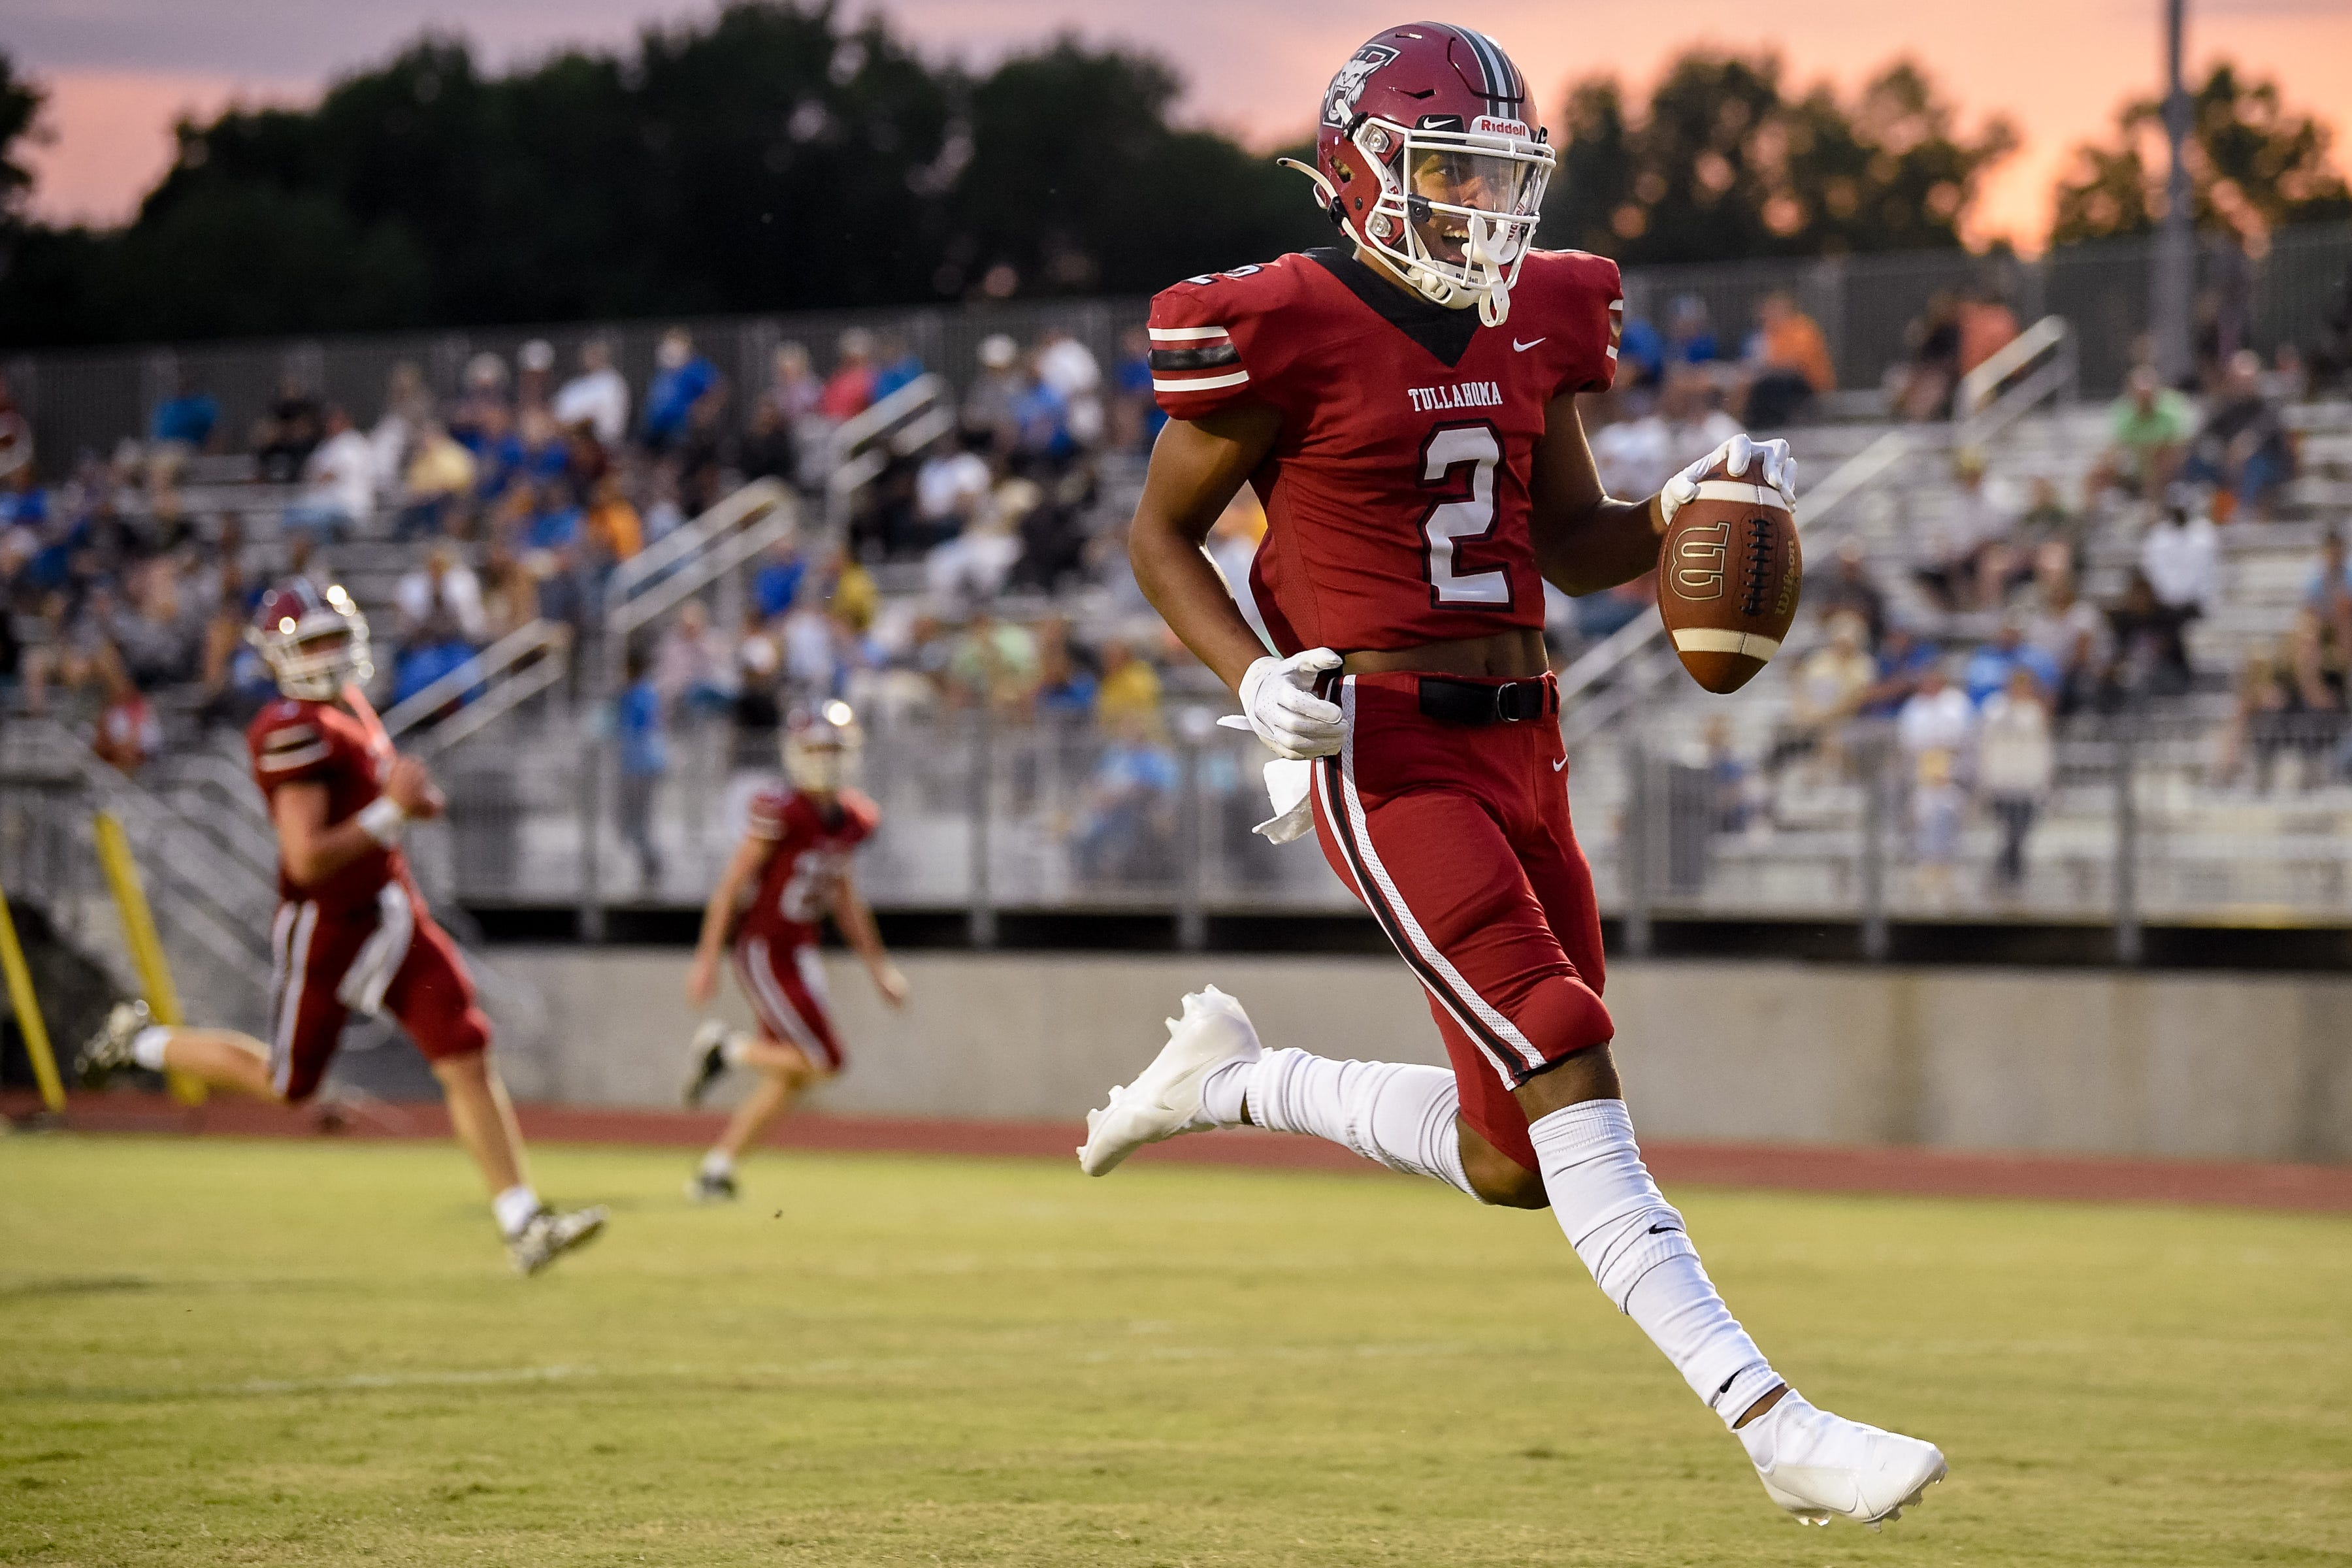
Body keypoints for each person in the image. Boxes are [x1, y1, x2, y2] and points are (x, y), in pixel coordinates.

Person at [1089, 22, 1942, 1533]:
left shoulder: (1541, 309)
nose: (1484, 197)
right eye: (1450, 165)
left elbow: (1571, 541)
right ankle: (1773, 1419)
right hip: (1376, 739)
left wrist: (1699, 495)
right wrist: (1249, 673)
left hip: (1525, 734)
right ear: (1360, 173)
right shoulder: (1277, 323)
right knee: (1561, 1034)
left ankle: (1232, 1076)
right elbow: (1160, 532)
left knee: (1512, 1153)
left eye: (1500, 167)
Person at [74, 580, 605, 1274]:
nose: (326, 653)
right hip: (327, 923)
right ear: (278, 655)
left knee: (466, 1051)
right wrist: (391, 813)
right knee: (291, 1083)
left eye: (332, 638)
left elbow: (383, 799)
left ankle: (522, 1221)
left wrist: (410, 806)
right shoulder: (291, 729)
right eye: (310, 642)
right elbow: (308, 857)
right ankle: (142, 1042)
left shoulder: (349, 704)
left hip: (391, 907)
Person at [679, 703, 907, 1200]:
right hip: (766, 949)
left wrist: (879, 967)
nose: (825, 759)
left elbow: (845, 898)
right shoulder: (782, 810)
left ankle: (717, 1170)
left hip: (800, 952)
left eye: (833, 748)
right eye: (816, 748)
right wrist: (706, 960)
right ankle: (727, 1049)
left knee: (792, 1075)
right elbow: (730, 886)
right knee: (824, 1060)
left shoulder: (851, 818)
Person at [2184, 350, 2295, 521]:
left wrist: (2242, 449)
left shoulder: (2269, 407)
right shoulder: (2225, 407)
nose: (2242, 384)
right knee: (2197, 461)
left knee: (2254, 463)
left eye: (2247, 379)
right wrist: (2221, 453)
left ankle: (2246, 512)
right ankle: (2192, 511)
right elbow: (2205, 435)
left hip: (2269, 468)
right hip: (2228, 466)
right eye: (2238, 379)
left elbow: (2267, 437)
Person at [1976, 665, 2052, 894]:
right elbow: (1985, 745)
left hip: (2028, 783)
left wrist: (2045, 781)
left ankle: (2008, 876)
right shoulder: (1995, 708)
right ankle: (2007, 877)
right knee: (2009, 830)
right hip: (2002, 782)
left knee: (2020, 832)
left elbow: (2043, 748)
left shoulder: (2035, 712)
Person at [2085, 366, 2194, 508]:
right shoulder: (2123, 411)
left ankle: (2156, 507)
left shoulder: (2172, 407)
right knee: (2098, 472)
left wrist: (2151, 452)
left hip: (2168, 468)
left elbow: (2180, 444)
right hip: (2136, 467)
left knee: (2161, 457)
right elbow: (2115, 447)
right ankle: (2091, 515)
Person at [615, 642, 668, 890]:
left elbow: (634, 729)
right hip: (638, 764)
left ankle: (654, 865)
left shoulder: (640, 694)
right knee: (634, 821)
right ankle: (649, 866)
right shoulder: (639, 693)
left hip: (641, 766)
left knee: (638, 821)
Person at [285, 407, 377, 540]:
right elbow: (309, 472)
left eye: (335, 420)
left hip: (349, 506)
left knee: (299, 517)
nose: (330, 424)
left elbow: (327, 476)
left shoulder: (353, 442)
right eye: (329, 420)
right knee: (292, 514)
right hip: (328, 504)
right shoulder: (327, 445)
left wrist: (317, 478)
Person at [552, 338, 630, 446]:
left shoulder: (612, 382)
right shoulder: (576, 384)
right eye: (589, 353)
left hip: (599, 444)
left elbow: (591, 422)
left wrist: (562, 428)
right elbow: (554, 412)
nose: (591, 357)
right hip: (565, 439)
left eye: (596, 353)